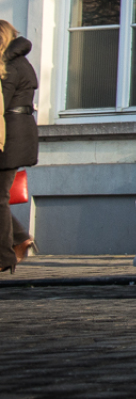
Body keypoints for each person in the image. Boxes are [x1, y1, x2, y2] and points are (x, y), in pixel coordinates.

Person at [0, 20, 38, 274]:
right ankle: (19, 238)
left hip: (9, 136)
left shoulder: (10, 67)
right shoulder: (18, 62)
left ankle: (5, 256)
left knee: (0, 197)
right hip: (17, 133)